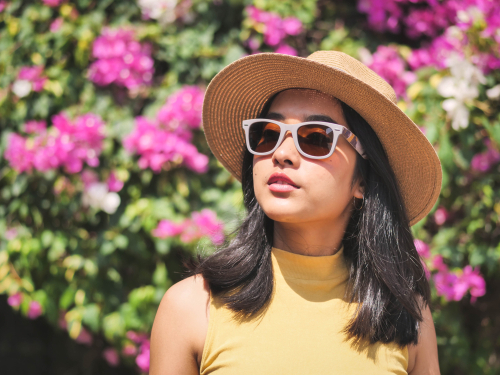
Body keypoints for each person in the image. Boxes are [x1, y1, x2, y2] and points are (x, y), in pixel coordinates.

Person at [150, 51, 442, 374]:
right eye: (269, 134)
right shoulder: (193, 307)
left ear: (362, 180)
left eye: (316, 138)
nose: (282, 153)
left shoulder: (405, 318)